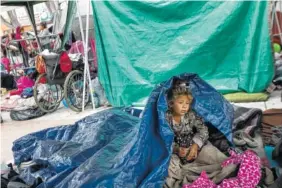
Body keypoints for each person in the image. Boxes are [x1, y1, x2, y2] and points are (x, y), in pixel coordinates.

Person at [166, 80, 209, 164]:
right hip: (173, 148)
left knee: (209, 153)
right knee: (171, 164)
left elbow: (203, 130)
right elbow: (162, 138)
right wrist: (177, 149)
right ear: (171, 103)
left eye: (187, 103)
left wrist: (195, 146)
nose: (184, 106)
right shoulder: (166, 117)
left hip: (192, 144)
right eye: (180, 102)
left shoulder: (191, 115)